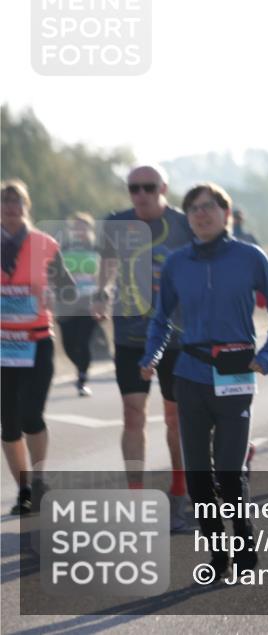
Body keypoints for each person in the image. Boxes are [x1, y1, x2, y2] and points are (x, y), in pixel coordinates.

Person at [141, 182, 268, 581]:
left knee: (227, 471)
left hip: (236, 372)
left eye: (210, 207)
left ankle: (242, 536)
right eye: (193, 209)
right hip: (189, 374)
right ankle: (217, 551)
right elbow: (161, 318)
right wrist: (152, 354)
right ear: (187, 217)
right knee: (198, 478)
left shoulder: (249, 257)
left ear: (226, 213)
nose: (202, 214)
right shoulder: (177, 263)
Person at [92, 164, 194, 531]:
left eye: (148, 187)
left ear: (163, 187)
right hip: (131, 334)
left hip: (177, 336)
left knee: (175, 418)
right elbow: (106, 267)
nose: (141, 194)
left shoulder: (185, 223)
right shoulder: (116, 223)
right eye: (134, 188)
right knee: (133, 414)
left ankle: (180, 493)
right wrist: (101, 292)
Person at [1, 179, 75, 514]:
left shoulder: (45, 244)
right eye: (5, 203)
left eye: (17, 203)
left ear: (27, 207)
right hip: (3, 345)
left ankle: (40, 477)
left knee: (31, 414)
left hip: (37, 342)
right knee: (8, 422)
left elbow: (67, 289)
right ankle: (25, 490)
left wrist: (53, 295)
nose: (11, 209)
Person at [55, 212, 102, 396]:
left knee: (82, 341)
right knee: (68, 344)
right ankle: (80, 366)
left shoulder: (97, 249)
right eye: (75, 227)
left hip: (88, 303)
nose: (79, 230)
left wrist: (102, 300)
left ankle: (82, 378)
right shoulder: (63, 248)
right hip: (66, 303)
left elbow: (105, 277)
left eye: (83, 227)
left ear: (90, 229)